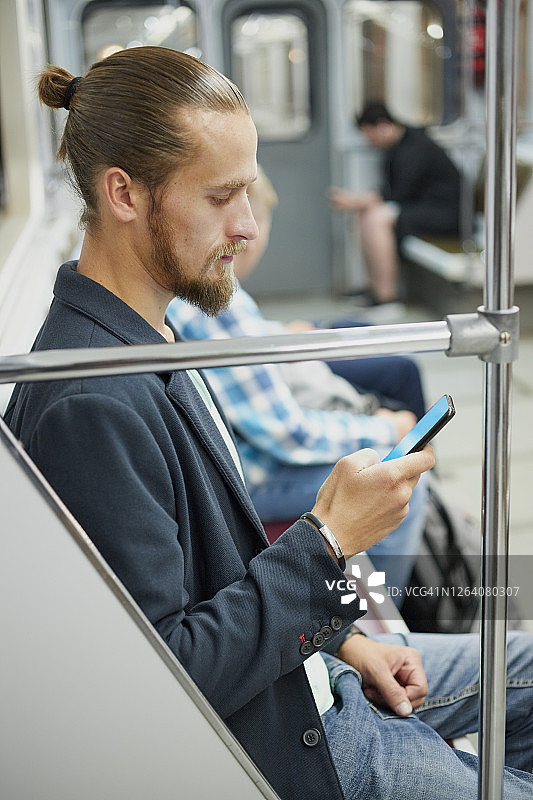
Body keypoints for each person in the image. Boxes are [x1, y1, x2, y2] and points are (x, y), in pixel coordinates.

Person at [4, 48, 533, 800]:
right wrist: (329, 540)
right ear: (123, 193)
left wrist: (346, 640)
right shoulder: (91, 406)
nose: (248, 226)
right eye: (221, 196)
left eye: (246, 192)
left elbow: (217, 568)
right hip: (298, 742)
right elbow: (170, 678)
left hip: (315, 675)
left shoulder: (148, 336)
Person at [167, 166, 429, 597]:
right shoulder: (217, 299)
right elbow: (288, 433)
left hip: (233, 461)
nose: (251, 232)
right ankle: (374, 611)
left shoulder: (181, 291)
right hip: (251, 480)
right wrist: (386, 428)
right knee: (402, 484)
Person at [328, 101, 461, 304]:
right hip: (422, 208)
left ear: (383, 125)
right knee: (368, 213)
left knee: (376, 218)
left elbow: (398, 193)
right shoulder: (397, 147)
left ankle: (387, 296)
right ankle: (372, 287)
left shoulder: (417, 146)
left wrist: (356, 200)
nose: (369, 142)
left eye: (370, 135)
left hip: (446, 214)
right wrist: (361, 203)